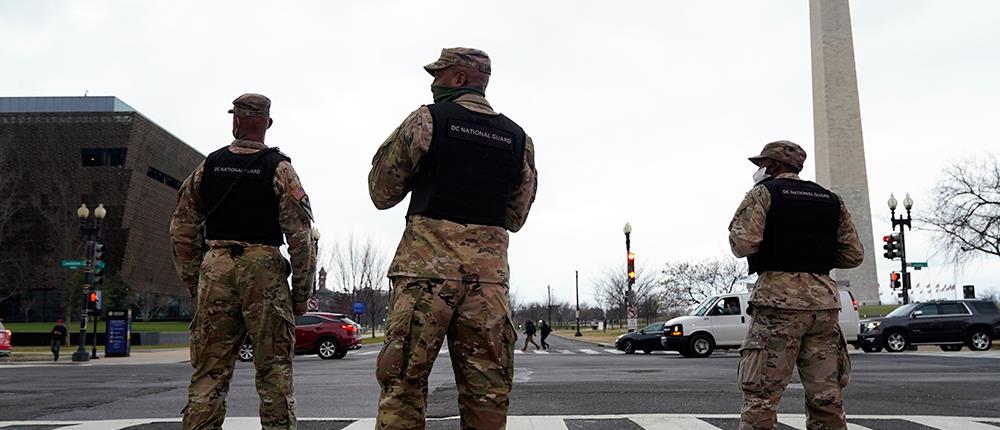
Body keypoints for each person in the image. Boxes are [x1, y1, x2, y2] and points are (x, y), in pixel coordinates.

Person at [369, 47, 538, 430]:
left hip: (424, 278)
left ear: (459, 79)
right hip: (488, 285)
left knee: (403, 388)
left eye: (439, 75)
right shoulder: (518, 139)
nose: (433, 83)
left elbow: (381, 192)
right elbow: (516, 216)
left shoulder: (427, 121)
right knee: (487, 395)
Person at [170, 93, 317, 430]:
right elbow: (301, 237)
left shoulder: (208, 166)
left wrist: (195, 279)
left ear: (235, 121)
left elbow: (181, 228)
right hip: (263, 269)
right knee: (274, 372)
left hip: (217, 265)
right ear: (267, 124)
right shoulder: (280, 169)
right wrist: (299, 295)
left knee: (209, 373)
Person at [728, 140, 864, 430]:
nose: (760, 170)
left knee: (761, 396)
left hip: (777, 303)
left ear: (775, 165)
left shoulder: (764, 193)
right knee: (827, 398)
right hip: (824, 306)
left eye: (763, 164)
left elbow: (742, 243)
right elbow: (854, 254)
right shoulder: (831, 200)